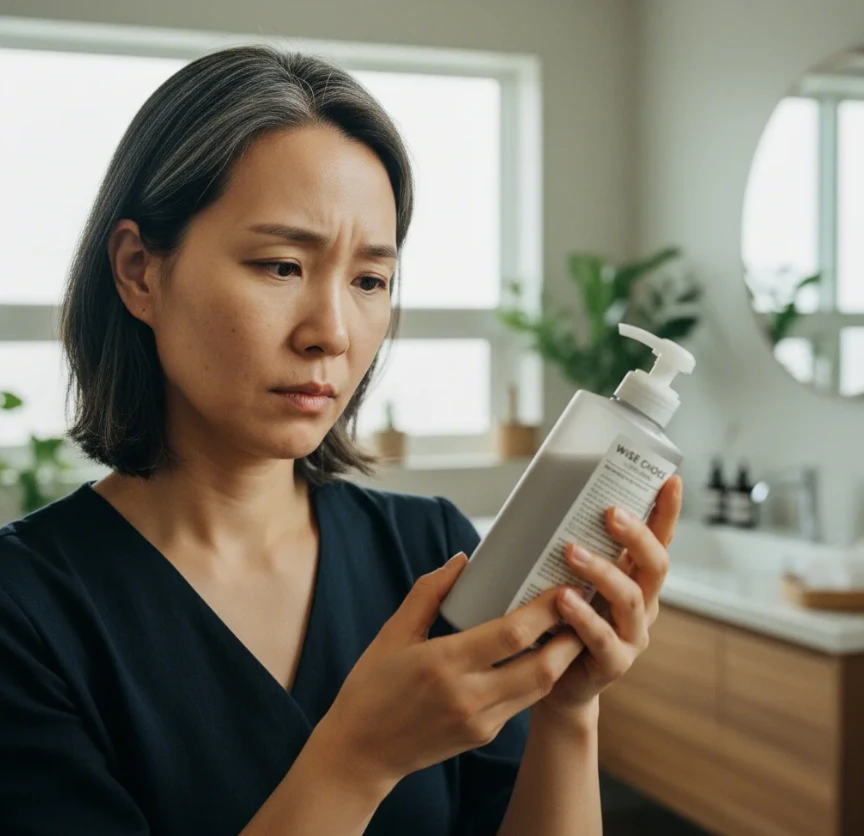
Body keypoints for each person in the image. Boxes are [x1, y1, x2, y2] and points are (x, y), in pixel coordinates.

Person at [0, 45, 682, 836]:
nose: (331, 333)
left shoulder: (434, 554)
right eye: (281, 265)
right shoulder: (26, 613)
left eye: (369, 281)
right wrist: (358, 759)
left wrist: (567, 709)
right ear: (138, 271)